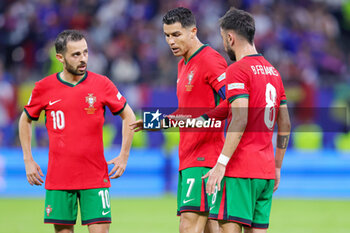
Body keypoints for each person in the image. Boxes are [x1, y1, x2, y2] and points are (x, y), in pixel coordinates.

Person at [19, 30, 135, 233]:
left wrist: (124, 155)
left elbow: (129, 116)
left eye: (85, 52)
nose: (83, 59)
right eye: (76, 55)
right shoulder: (43, 88)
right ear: (60, 58)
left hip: (95, 177)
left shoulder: (102, 84)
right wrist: (28, 159)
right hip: (59, 178)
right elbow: (25, 120)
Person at [131, 7, 227, 233]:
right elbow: (185, 113)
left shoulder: (211, 60)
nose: (170, 41)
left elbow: (233, 102)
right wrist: (153, 122)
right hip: (188, 156)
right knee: (211, 228)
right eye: (166, 35)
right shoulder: (183, 64)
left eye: (176, 35)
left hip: (205, 158)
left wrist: (204, 119)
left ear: (193, 31)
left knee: (188, 226)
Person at [202, 8, 291, 233]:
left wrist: (221, 163)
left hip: (240, 169)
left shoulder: (238, 70)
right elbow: (286, 125)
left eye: (223, 39)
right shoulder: (274, 73)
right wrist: (277, 166)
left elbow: (240, 118)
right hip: (266, 172)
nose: (224, 45)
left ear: (230, 38)